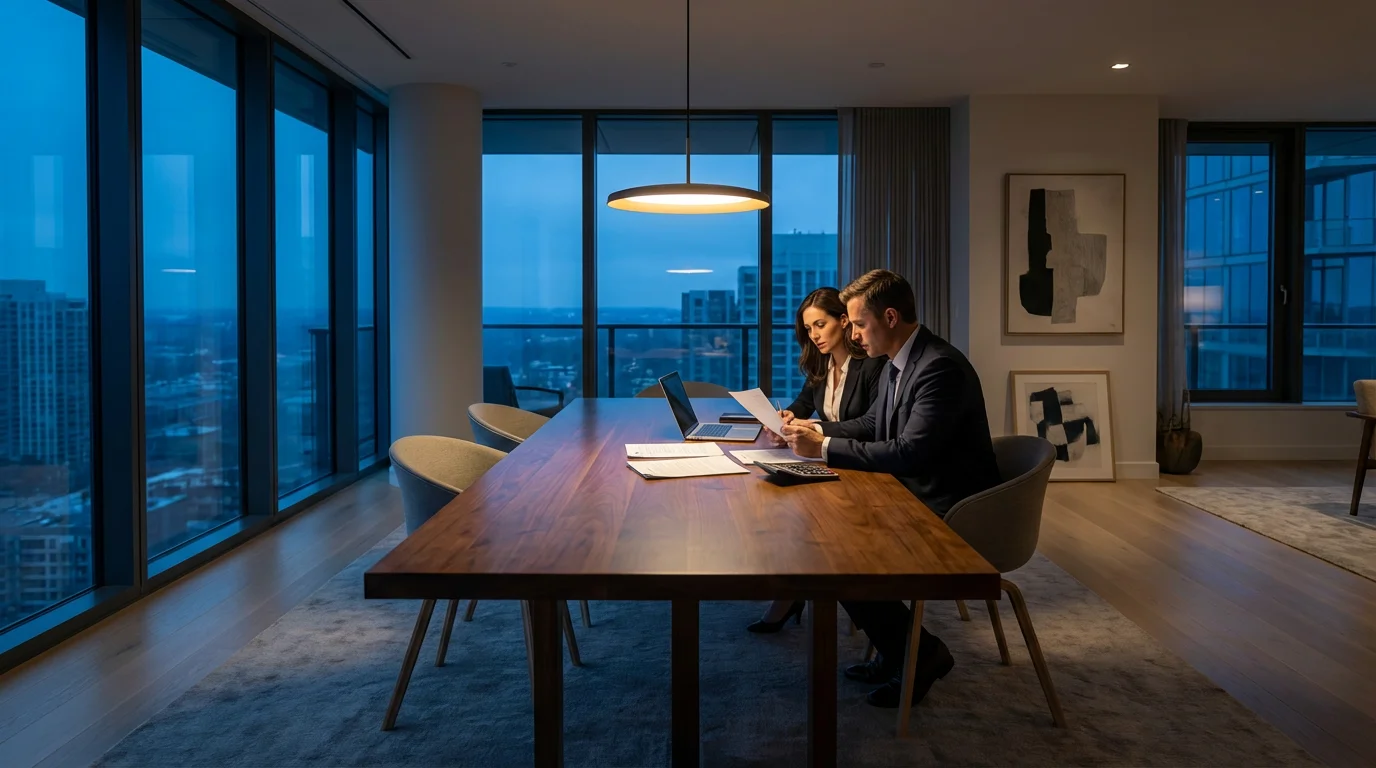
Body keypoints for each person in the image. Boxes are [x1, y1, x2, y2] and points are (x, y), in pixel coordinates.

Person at [782, 269, 1000, 709]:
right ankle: (898, 650)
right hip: (917, 490)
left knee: (838, 553)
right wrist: (815, 429)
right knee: (829, 537)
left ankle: (921, 654)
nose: (855, 333)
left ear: (891, 317)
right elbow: (871, 426)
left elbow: (906, 453)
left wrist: (822, 446)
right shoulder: (901, 364)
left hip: (950, 509)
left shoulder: (938, 368)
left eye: (860, 324)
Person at [746, 287, 887, 634]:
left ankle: (795, 593)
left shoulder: (872, 364)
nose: (815, 335)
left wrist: (815, 429)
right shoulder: (823, 365)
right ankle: (791, 592)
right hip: (830, 461)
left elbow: (873, 424)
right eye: (809, 329)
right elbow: (801, 404)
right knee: (772, 503)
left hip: (860, 466)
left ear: (843, 320)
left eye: (820, 325)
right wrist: (786, 420)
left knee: (805, 520)